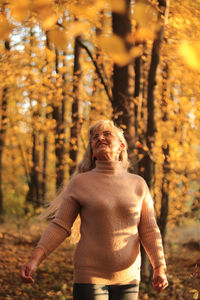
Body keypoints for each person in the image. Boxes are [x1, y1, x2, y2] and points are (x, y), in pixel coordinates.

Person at [20, 120, 168, 300]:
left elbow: (149, 230)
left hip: (129, 279)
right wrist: (35, 259)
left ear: (121, 146)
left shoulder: (138, 184)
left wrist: (159, 266)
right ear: (91, 152)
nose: (100, 138)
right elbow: (60, 226)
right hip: (90, 277)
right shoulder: (80, 182)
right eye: (95, 137)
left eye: (107, 134)